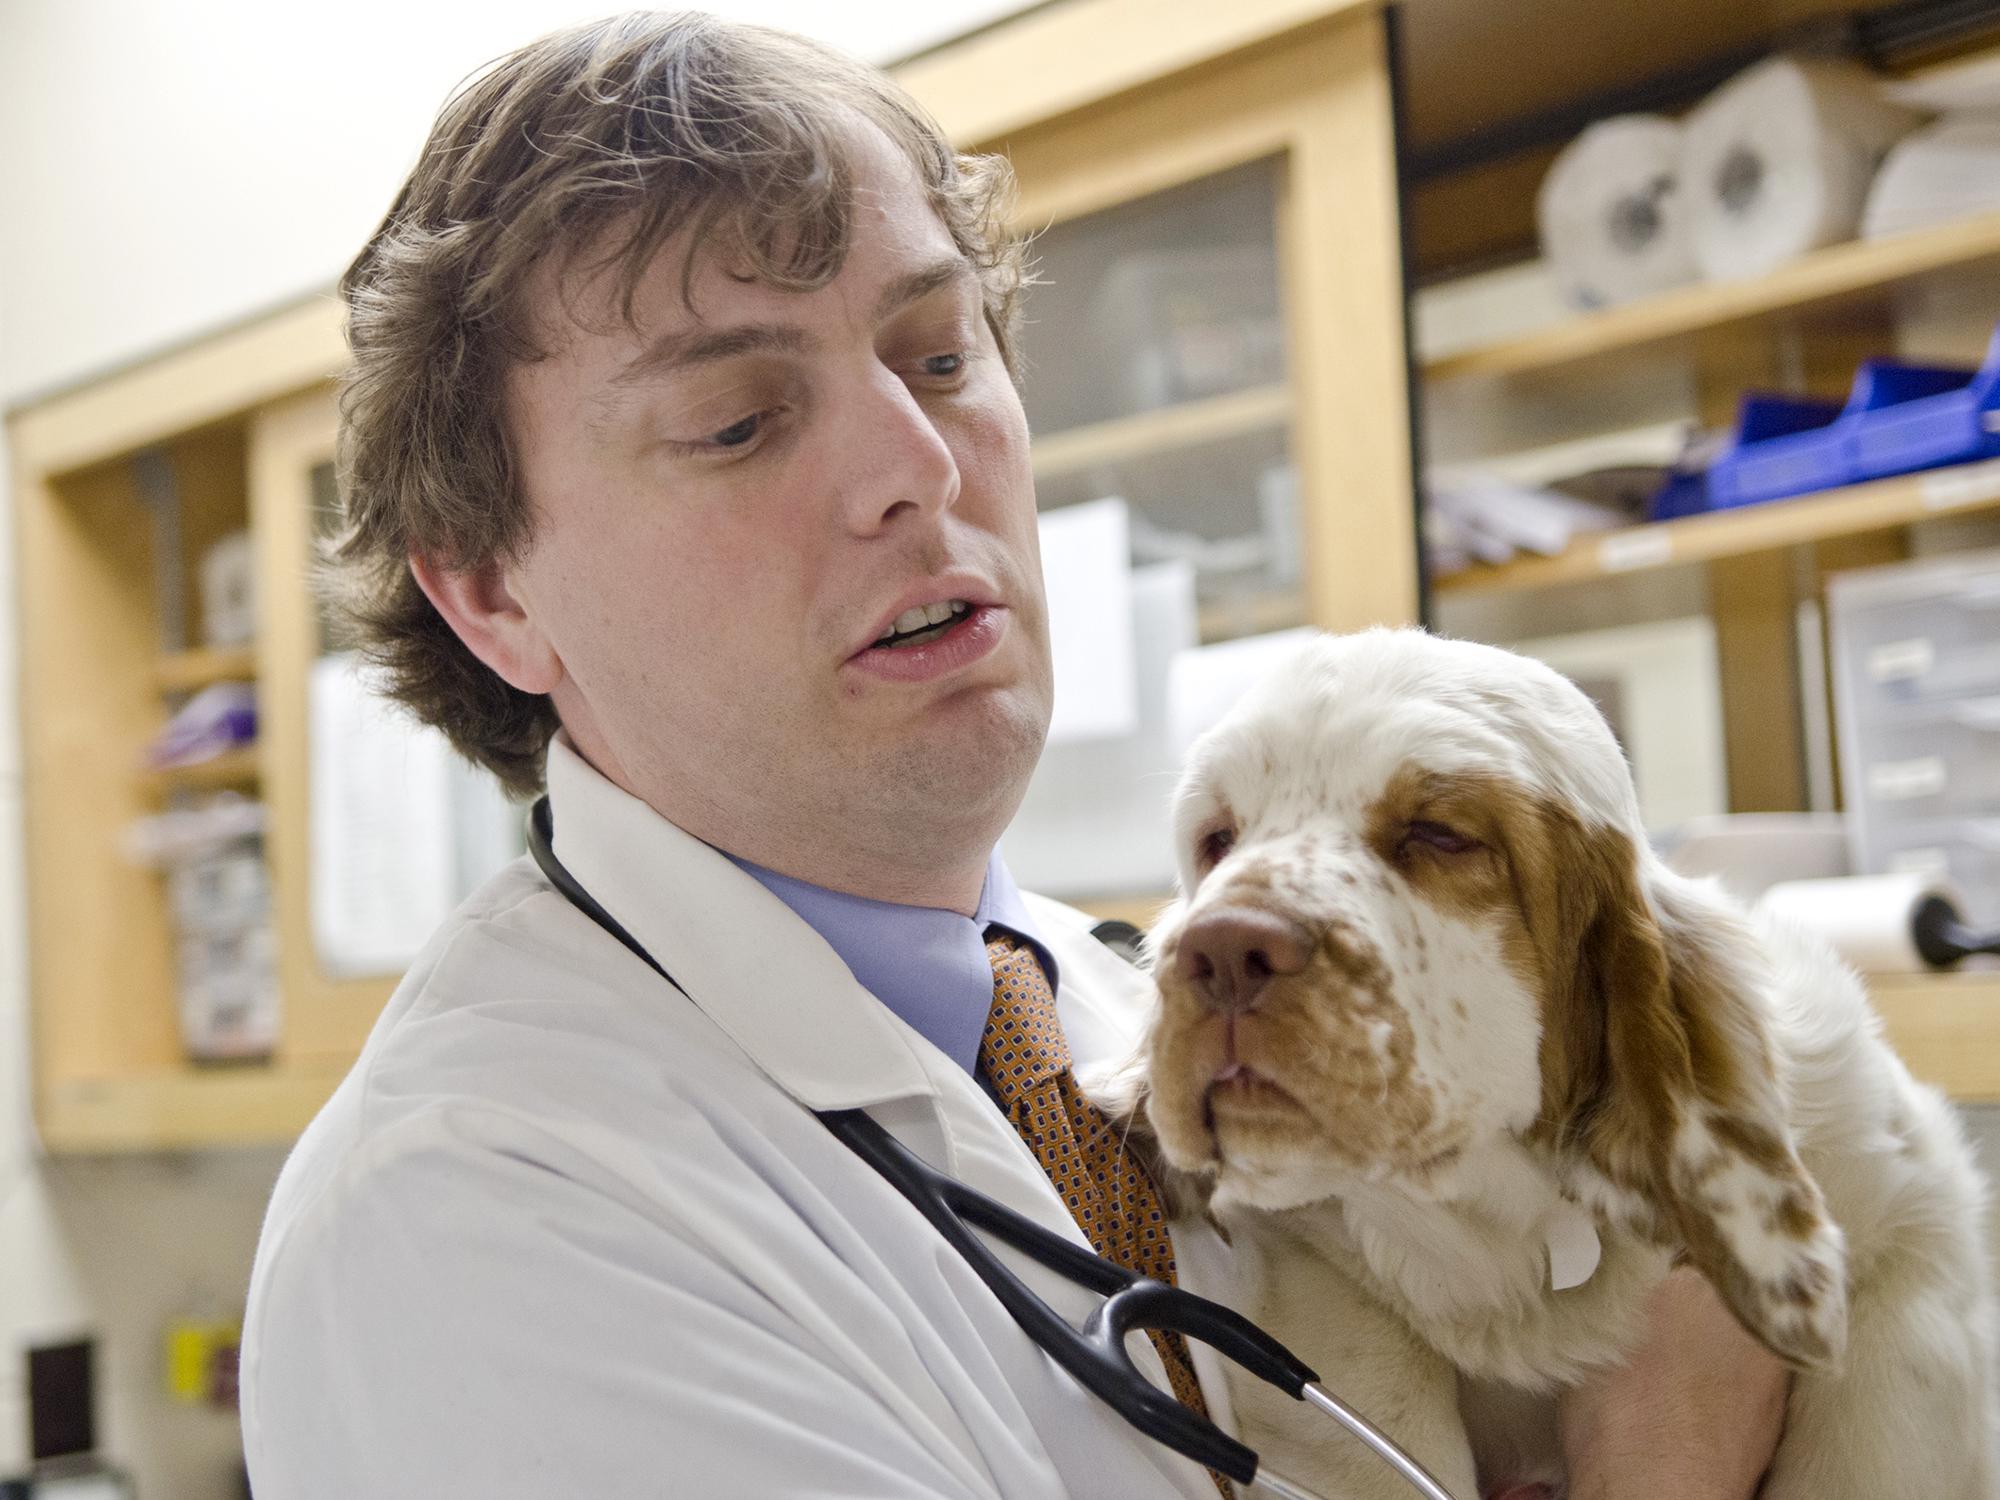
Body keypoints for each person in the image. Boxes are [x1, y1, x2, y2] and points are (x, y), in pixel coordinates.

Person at [240, 12, 1792, 1498]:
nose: (917, 469)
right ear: (493, 592)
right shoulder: (476, 1219)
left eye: (936, 356)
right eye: (738, 421)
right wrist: (1665, 1461)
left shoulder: (1152, 1012)